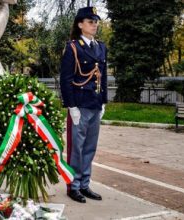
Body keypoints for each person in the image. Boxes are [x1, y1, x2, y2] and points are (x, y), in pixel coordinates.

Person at [59, 6, 107, 203]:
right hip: (79, 104)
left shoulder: (101, 47)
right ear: (80, 25)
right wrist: (71, 106)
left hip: (94, 103)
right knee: (76, 148)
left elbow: (102, 76)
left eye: (95, 21)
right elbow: (66, 79)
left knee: (89, 147)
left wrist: (103, 101)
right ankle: (74, 186)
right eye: (90, 21)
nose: (94, 24)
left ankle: (85, 184)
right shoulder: (73, 47)